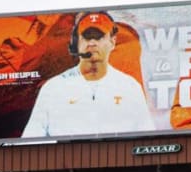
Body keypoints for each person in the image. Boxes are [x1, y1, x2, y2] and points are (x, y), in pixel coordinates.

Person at [22, 11, 154, 138]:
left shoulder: (129, 86)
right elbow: (30, 142)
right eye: (86, 36)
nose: (92, 43)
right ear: (76, 42)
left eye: (99, 36)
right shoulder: (53, 88)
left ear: (112, 41)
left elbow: (146, 139)